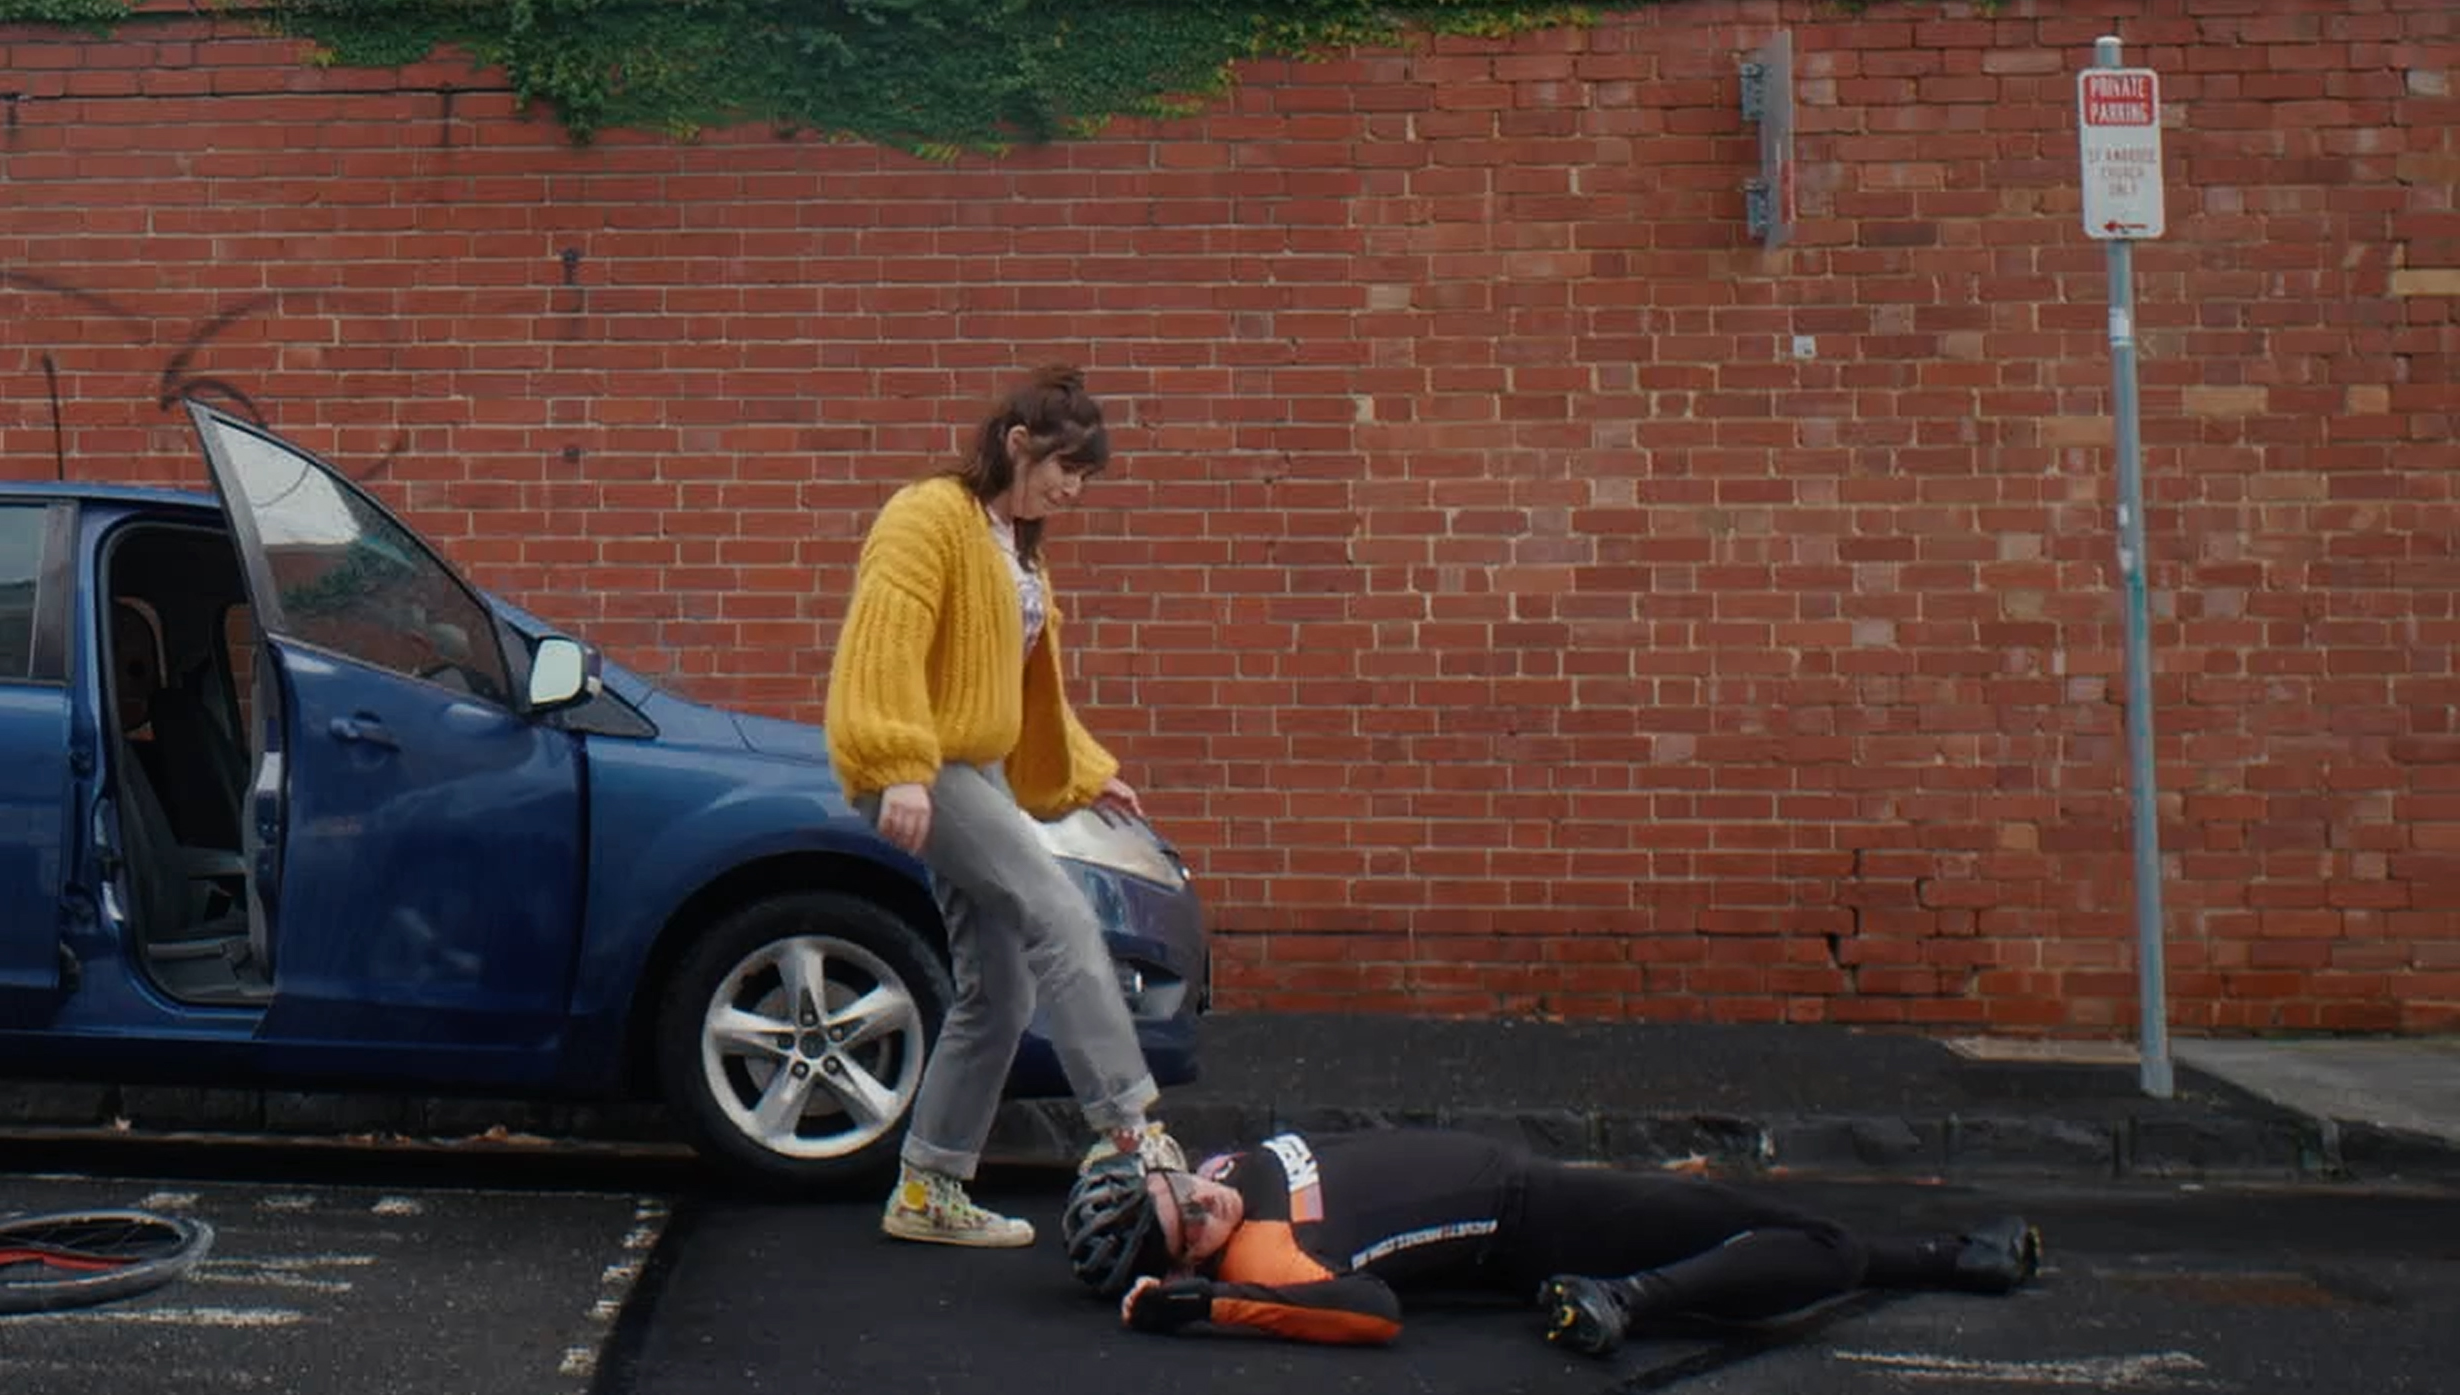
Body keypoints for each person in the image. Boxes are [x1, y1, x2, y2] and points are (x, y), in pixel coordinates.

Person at [824, 362, 1177, 1248]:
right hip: (923, 764)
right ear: (1017, 445)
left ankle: (927, 1186)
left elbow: (1021, 692)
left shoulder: (1012, 542)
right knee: (1058, 911)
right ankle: (1135, 1130)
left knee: (1003, 989)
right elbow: (884, 639)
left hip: (969, 770)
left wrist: (1085, 767)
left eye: (1085, 477)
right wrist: (900, 763)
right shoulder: (928, 515)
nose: (1073, 488)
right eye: (1066, 468)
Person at [1059, 1127, 2044, 1354]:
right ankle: (1631, 1300)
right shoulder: (1259, 1259)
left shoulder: (1218, 1172)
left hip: (1523, 1210)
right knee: (1813, 1243)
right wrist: (1207, 1306)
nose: (1200, 1204)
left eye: (1177, 1189)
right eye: (1184, 1229)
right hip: (1535, 1213)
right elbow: (1375, 1313)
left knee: (1776, 1228)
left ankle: (1967, 1257)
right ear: (1186, 1260)